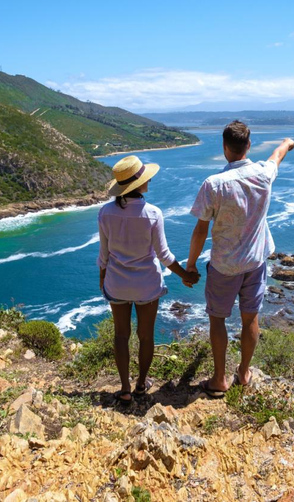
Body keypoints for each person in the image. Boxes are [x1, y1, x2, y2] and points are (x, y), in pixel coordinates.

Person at [185, 121, 294, 397]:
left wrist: (190, 264)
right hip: (255, 263)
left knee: (218, 319)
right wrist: (286, 143)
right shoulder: (263, 175)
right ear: (248, 146)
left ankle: (220, 379)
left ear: (224, 148)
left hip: (224, 265)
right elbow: (276, 157)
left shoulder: (213, 185)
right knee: (250, 319)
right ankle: (244, 373)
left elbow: (201, 229)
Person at [97, 155, 200, 404]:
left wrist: (104, 282)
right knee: (146, 336)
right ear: (139, 183)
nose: (149, 179)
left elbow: (104, 255)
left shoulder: (105, 213)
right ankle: (142, 384)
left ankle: (124, 388)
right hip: (146, 285)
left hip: (117, 283)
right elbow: (164, 256)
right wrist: (186, 275)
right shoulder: (153, 213)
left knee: (121, 335)